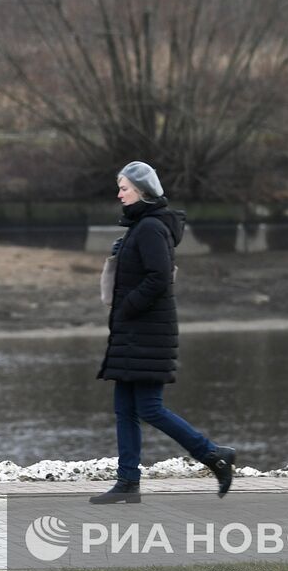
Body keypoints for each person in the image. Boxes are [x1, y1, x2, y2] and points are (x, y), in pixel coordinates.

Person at [91, 161, 236, 504]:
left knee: (149, 407)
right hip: (134, 334)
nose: (119, 194)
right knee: (125, 408)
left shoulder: (152, 228)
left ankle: (215, 456)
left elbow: (158, 277)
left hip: (146, 333)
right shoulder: (139, 228)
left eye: (124, 188)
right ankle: (128, 481)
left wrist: (126, 309)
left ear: (142, 191)